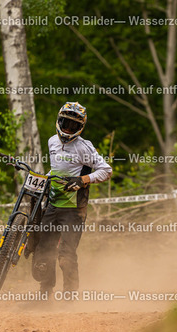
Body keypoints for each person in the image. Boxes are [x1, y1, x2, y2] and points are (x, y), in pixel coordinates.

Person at [32, 102, 112, 297]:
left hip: (74, 209)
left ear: (80, 127)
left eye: (73, 126)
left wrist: (83, 180)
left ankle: (69, 295)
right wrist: (43, 180)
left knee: (66, 254)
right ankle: (45, 293)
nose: (67, 129)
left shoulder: (84, 147)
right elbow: (57, 168)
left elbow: (106, 170)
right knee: (44, 250)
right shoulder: (52, 142)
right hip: (53, 204)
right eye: (65, 123)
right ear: (59, 121)